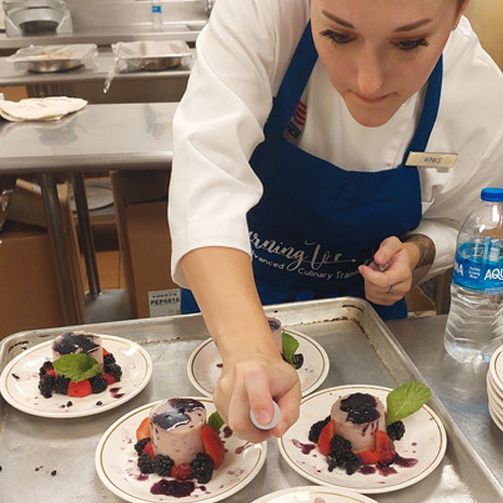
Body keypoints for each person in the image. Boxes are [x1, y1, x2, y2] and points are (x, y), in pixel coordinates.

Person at [168, 0, 503, 442]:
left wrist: (417, 251)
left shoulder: (480, 95)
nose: (368, 81)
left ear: (458, 13)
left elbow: (460, 221)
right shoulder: (263, 13)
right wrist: (249, 349)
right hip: (235, 301)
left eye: (409, 43)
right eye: (339, 35)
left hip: (367, 321)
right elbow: (207, 177)